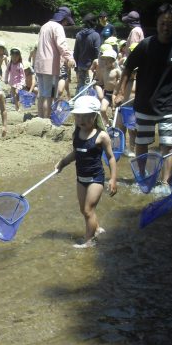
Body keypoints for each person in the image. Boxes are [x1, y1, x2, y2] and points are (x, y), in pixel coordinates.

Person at [114, 4, 172, 189]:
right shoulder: (145, 45)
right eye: (162, 23)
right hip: (145, 103)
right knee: (142, 143)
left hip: (170, 105)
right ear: (157, 23)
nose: (166, 27)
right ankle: (142, 177)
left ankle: (165, 183)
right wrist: (119, 92)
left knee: (168, 145)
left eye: (170, 24)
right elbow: (128, 68)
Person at [55, 96, 117, 248]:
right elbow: (76, 153)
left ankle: (88, 241)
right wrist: (63, 162)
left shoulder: (101, 136)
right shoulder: (76, 134)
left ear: (94, 116)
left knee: (89, 210)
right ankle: (96, 228)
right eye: (78, 116)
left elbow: (111, 158)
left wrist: (113, 179)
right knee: (84, 210)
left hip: (96, 178)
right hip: (81, 178)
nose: (81, 120)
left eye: (86, 116)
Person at [34, 6, 76, 118]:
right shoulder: (58, 27)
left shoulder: (44, 26)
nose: (66, 24)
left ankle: (40, 117)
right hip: (50, 64)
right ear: (64, 19)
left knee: (42, 94)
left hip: (39, 63)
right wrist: (69, 58)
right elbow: (62, 45)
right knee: (49, 94)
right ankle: (46, 119)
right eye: (67, 21)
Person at [74, 12, 101, 93]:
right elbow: (97, 50)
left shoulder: (79, 35)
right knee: (88, 86)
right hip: (91, 66)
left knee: (80, 85)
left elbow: (76, 51)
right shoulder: (95, 35)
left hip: (80, 64)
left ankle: (77, 102)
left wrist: (77, 63)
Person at [95, 48, 121, 126]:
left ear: (113, 61)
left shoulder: (117, 71)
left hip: (115, 94)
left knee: (114, 112)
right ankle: (107, 123)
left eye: (108, 60)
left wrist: (118, 82)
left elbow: (121, 80)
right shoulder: (104, 70)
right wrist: (96, 83)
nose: (105, 62)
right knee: (102, 110)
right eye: (105, 60)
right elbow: (102, 82)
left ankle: (115, 125)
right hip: (106, 93)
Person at [4, 47, 26, 112]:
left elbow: (23, 76)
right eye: (13, 56)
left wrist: (21, 84)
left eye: (16, 56)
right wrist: (6, 79)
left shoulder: (20, 65)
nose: (14, 58)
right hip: (12, 82)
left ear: (19, 57)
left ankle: (18, 108)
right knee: (13, 95)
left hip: (18, 83)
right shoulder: (10, 64)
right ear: (11, 56)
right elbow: (7, 71)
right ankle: (16, 106)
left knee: (16, 95)